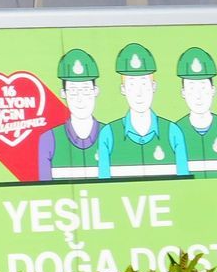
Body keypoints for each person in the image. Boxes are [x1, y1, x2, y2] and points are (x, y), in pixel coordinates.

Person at [97, 43, 187, 178]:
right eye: (132, 84)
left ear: (154, 86)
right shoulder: (109, 134)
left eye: (144, 83)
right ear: (123, 89)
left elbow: (185, 182)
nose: (139, 93)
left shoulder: (172, 131)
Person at [40, 47, 105, 179]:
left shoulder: (109, 134)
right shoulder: (49, 139)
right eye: (73, 91)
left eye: (86, 90)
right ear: (63, 93)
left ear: (95, 91)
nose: (80, 99)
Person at [174, 46, 217, 176]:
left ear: (213, 90)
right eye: (191, 88)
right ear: (183, 92)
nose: (198, 95)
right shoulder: (175, 132)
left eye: (203, 87)